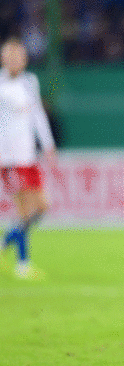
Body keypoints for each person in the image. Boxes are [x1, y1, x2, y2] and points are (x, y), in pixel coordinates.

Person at [0, 37, 56, 280]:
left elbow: (37, 115)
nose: (15, 61)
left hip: (28, 156)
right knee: (23, 210)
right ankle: (22, 264)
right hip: (9, 159)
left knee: (43, 206)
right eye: (10, 57)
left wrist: (48, 144)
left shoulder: (29, 82)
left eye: (19, 57)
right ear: (4, 59)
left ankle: (6, 241)